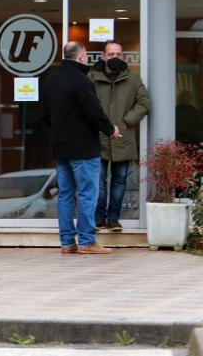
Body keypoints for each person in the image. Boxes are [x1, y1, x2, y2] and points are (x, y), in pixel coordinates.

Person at [42, 42, 120, 255]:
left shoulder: (51, 80)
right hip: (83, 148)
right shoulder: (81, 80)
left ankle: (67, 242)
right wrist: (110, 128)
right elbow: (93, 111)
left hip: (60, 147)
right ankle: (86, 241)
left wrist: (57, 134)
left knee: (66, 194)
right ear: (81, 57)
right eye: (85, 56)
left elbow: (45, 116)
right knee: (87, 194)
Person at [89, 41, 150, 232]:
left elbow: (144, 103)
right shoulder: (91, 77)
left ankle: (113, 218)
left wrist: (125, 122)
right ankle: (99, 218)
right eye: (111, 54)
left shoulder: (133, 78)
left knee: (119, 181)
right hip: (97, 138)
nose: (115, 57)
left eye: (118, 54)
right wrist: (98, 124)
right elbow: (84, 104)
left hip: (122, 138)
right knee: (98, 182)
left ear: (122, 56)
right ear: (103, 56)